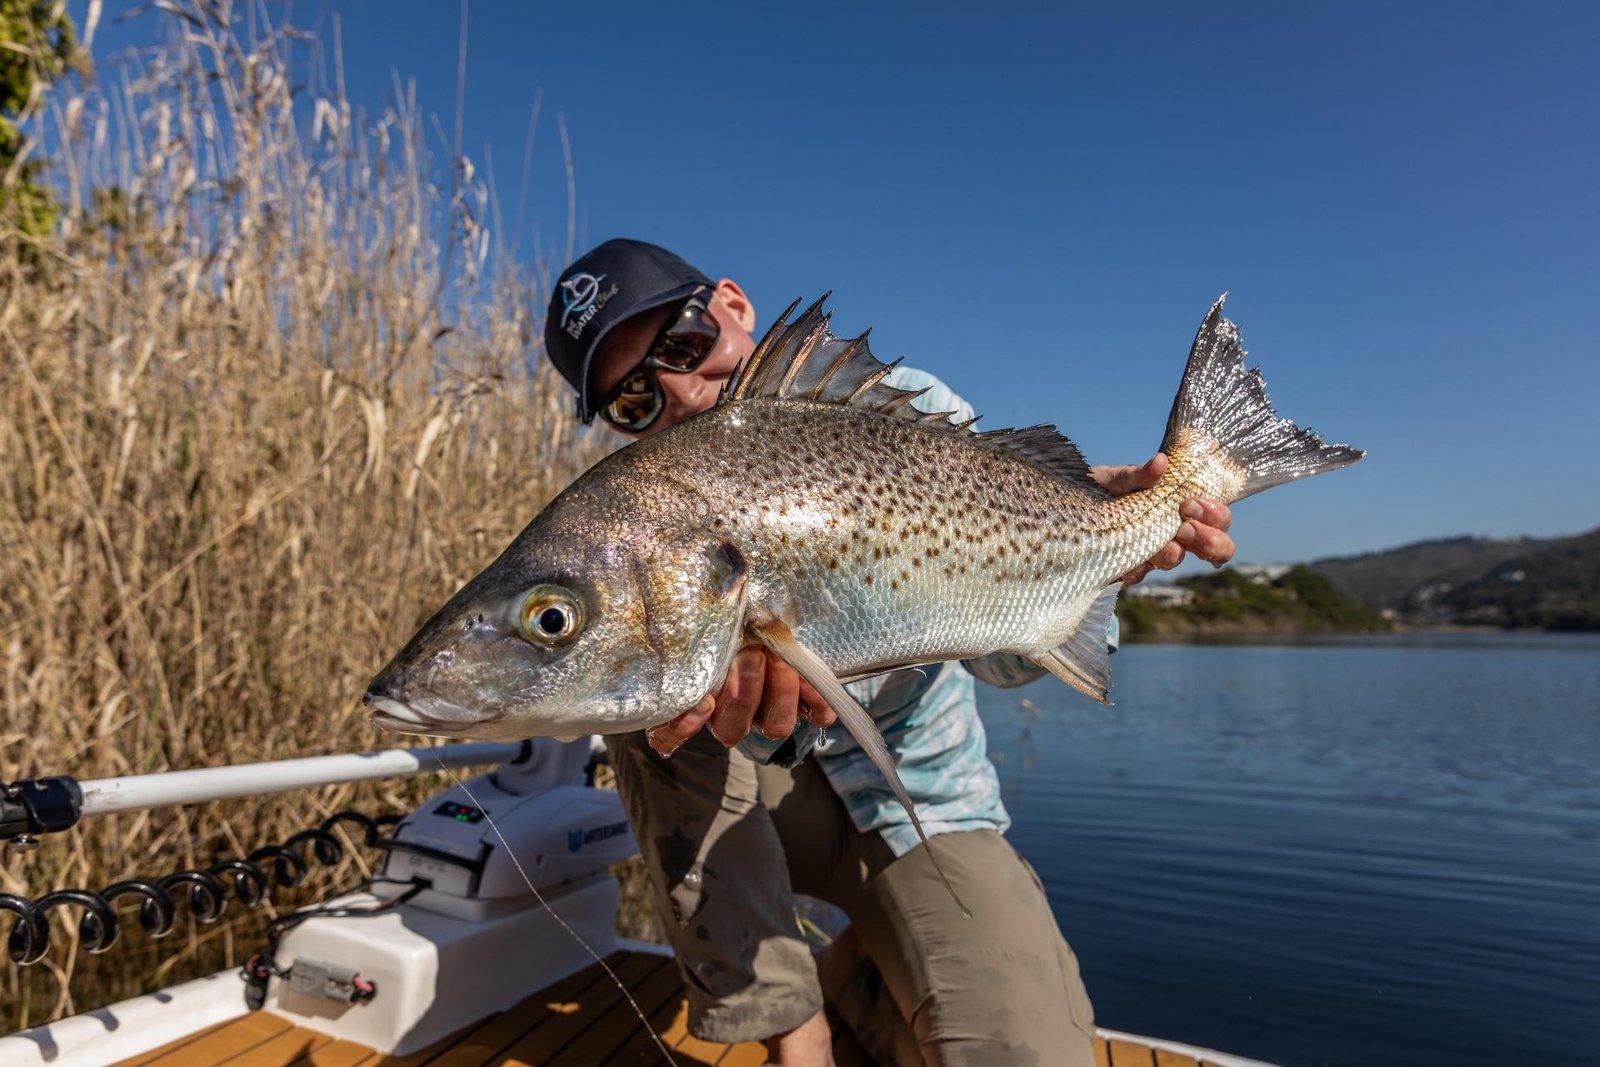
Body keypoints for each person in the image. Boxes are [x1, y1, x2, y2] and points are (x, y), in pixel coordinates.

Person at [542, 239, 1235, 1066]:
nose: (682, 394)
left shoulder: (900, 409)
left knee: (1024, 1050)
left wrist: (1107, 550)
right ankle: (797, 1030)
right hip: (760, 812)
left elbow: (1007, 662)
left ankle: (866, 969)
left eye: (685, 346)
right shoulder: (637, 518)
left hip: (925, 799)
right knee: (626, 676)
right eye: (632, 401)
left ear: (732, 305)